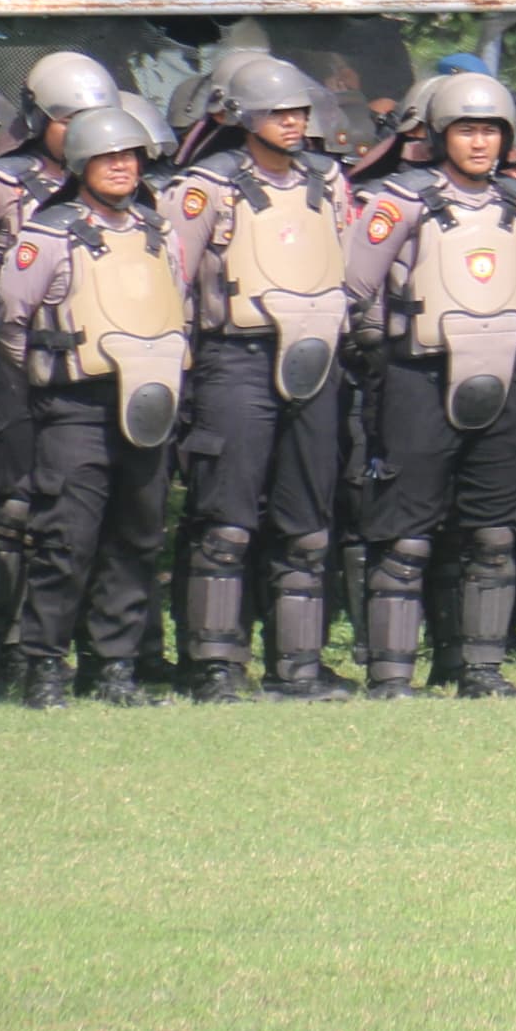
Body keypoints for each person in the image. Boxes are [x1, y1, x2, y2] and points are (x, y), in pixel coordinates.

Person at [345, 71, 516, 697]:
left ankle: (479, 667)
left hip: (504, 378)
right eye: (467, 129)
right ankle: (392, 672)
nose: (480, 142)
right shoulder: (400, 200)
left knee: (492, 532)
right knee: (406, 531)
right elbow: (354, 290)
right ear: (439, 135)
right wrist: (381, 353)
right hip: (419, 376)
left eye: (491, 130)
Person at [162, 53, 358, 700]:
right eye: (278, 112)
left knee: (307, 520)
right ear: (243, 116)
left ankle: (298, 663)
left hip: (315, 357)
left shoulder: (329, 180)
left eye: (299, 110)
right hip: (235, 359)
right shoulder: (206, 186)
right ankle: (215, 663)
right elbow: (173, 281)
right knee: (225, 520)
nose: (293, 121)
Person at [0, 105, 193, 705]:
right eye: (108, 157)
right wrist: (36, 390)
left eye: (130, 156)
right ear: (80, 164)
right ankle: (43, 667)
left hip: (149, 406)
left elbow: (180, 310)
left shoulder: (161, 233)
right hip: (75, 407)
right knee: (65, 542)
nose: (122, 167)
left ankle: (114, 669)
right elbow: (11, 322)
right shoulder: (49, 234)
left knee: (136, 540)